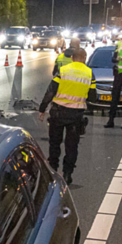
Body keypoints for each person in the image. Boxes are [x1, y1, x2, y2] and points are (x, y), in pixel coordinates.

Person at [38, 47, 93, 185]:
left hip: (58, 113)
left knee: (54, 143)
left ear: (72, 58)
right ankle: (67, 174)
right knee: (72, 146)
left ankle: (53, 171)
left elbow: (51, 91)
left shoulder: (63, 71)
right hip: (76, 116)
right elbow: (93, 96)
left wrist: (42, 108)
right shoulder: (90, 74)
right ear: (84, 59)